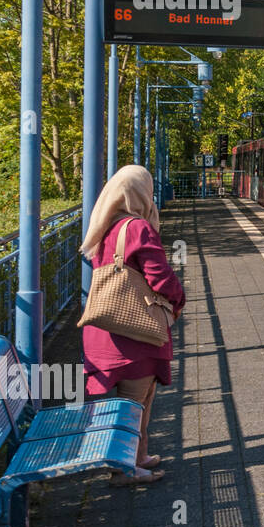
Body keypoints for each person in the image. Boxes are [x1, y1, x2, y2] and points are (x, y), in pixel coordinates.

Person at [79, 165, 184, 487]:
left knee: (130, 401)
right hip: (133, 331)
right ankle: (125, 469)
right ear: (141, 193)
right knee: (135, 402)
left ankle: (137, 457)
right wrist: (178, 300)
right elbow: (160, 276)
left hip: (105, 329)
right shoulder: (137, 227)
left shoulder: (104, 226)